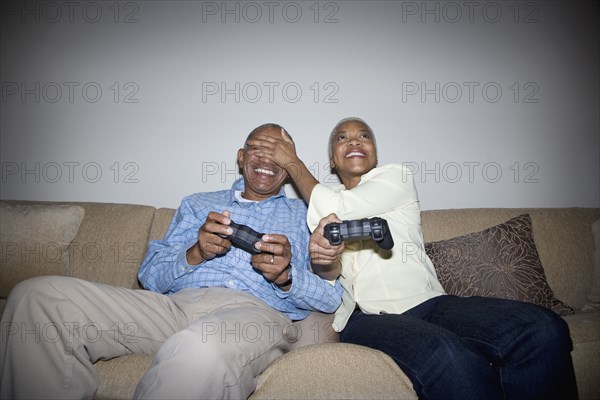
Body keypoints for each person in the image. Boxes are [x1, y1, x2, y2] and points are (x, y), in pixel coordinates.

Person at [0, 123, 342, 400]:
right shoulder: (196, 204)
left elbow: (331, 298)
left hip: (253, 314)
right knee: (38, 297)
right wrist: (196, 252)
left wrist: (286, 276)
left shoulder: (306, 215)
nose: (267, 159)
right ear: (241, 157)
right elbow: (150, 275)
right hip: (173, 308)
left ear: (290, 167)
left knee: (199, 349)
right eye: (258, 148)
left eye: (279, 154)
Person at [247, 117, 578, 400]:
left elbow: (342, 209)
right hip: (367, 318)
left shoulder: (396, 178)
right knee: (449, 355)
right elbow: (328, 277)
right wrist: (325, 260)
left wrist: (293, 162)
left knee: (542, 328)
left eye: (364, 135)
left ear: (375, 153)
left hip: (432, 304)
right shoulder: (312, 213)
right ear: (333, 161)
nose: (355, 141)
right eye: (342, 137)